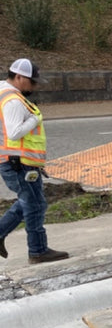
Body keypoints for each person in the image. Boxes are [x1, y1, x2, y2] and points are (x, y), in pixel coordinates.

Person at [0, 58, 68, 263]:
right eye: (32, 81)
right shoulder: (12, 101)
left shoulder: (5, 93)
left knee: (29, 201)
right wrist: (34, 119)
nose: (35, 86)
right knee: (35, 204)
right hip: (18, 163)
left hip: (16, 162)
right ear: (19, 77)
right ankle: (38, 251)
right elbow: (14, 133)